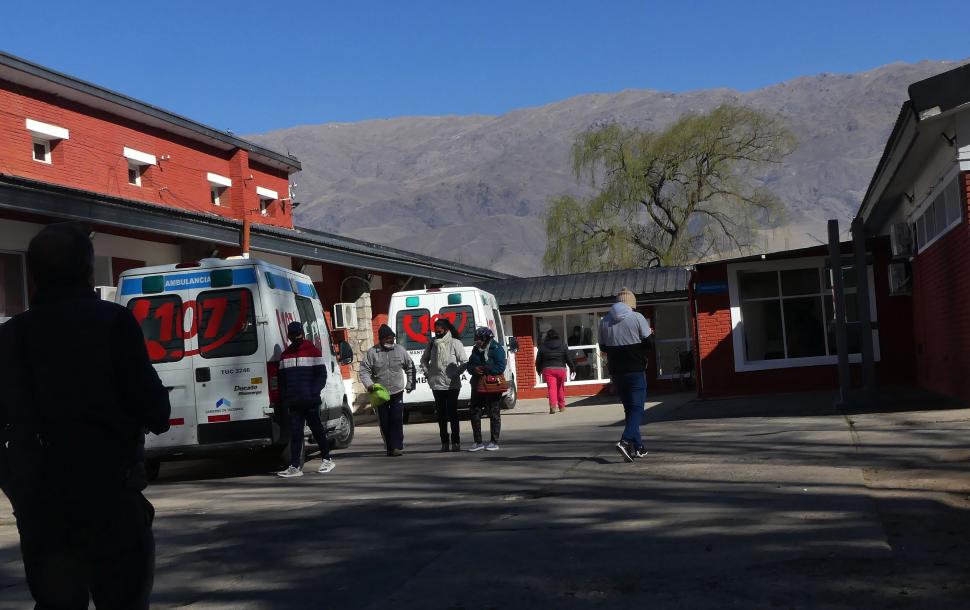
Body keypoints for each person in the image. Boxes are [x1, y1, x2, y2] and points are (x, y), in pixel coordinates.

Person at [0, 223, 171, 609]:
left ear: (32, 274)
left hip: (43, 509)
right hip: (111, 499)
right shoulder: (113, 323)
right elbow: (156, 411)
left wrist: (17, 486)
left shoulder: (10, 337)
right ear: (88, 272)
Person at [598, 287, 653, 463]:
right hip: (635, 369)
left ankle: (638, 447)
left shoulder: (604, 321)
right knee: (637, 408)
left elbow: (603, 347)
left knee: (629, 409)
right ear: (631, 303)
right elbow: (648, 343)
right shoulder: (637, 318)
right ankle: (625, 441)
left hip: (616, 371)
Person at [276, 321, 335, 478]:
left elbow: (321, 375)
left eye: (298, 334)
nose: (296, 337)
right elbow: (281, 380)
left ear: (302, 334)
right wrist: (286, 397)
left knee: (317, 430)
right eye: (293, 335)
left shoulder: (313, 351)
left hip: (310, 400)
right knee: (296, 434)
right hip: (295, 402)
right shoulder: (285, 355)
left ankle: (327, 459)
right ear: (289, 336)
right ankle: (295, 466)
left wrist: (313, 392)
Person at [360, 324, 416, 456]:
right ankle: (389, 446)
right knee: (384, 421)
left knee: (397, 419)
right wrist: (369, 385)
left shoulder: (400, 350)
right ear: (381, 339)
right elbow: (364, 371)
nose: (391, 341)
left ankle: (396, 446)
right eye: (388, 339)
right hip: (380, 394)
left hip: (397, 391)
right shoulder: (372, 353)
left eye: (392, 339)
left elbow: (410, 367)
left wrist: (410, 384)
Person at [420, 318, 466, 452]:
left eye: (440, 331)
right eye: (436, 332)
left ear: (446, 330)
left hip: (452, 384)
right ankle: (444, 442)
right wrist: (428, 373)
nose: (438, 334)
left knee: (452, 414)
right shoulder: (432, 343)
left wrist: (456, 373)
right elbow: (424, 360)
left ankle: (456, 442)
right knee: (441, 415)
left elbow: (464, 361)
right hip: (437, 384)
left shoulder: (455, 343)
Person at [466, 326, 507, 452]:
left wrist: (484, 368)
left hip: (492, 385)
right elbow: (469, 365)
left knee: (494, 413)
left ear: (486, 338)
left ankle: (494, 442)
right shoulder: (475, 349)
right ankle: (478, 442)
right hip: (477, 385)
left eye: (479, 339)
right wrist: (474, 369)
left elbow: (500, 367)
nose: (477, 341)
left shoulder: (497, 348)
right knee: (475, 411)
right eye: (476, 339)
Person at [535, 329, 576, 414]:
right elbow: (568, 358)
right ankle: (561, 406)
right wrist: (572, 368)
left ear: (547, 337)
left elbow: (538, 360)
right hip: (561, 369)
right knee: (560, 387)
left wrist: (538, 370)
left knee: (552, 388)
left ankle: (553, 407)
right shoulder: (563, 345)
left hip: (548, 369)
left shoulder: (542, 346)